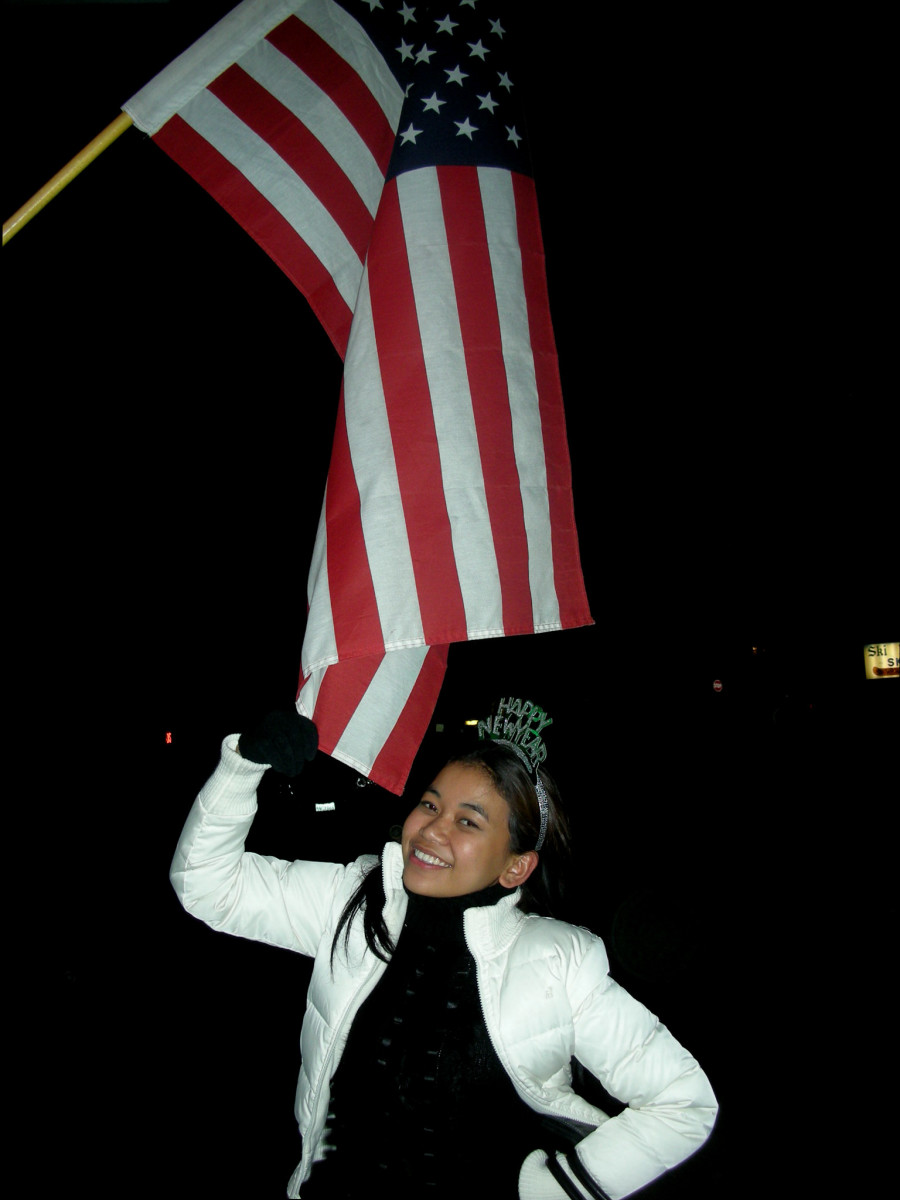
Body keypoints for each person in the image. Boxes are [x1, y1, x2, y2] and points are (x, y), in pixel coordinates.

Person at [170, 710, 717, 1199]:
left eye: (468, 821)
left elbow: (683, 1100)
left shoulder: (558, 960)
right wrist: (242, 767)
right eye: (430, 804)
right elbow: (208, 885)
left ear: (516, 867)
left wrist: (558, 1187)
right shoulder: (351, 900)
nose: (432, 829)